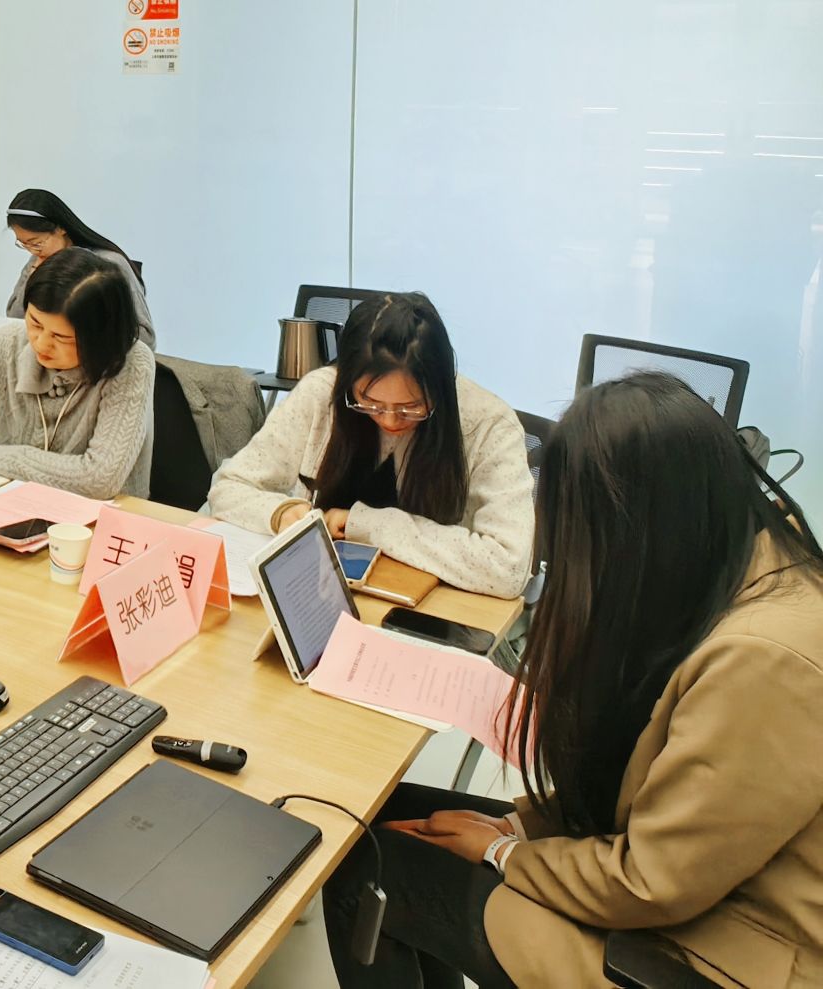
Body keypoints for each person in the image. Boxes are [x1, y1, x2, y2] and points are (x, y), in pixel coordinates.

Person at [321, 371, 823, 988]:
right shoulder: (744, 560)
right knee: (374, 818)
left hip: (713, 952)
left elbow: (652, 881)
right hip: (696, 888)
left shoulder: (766, 661)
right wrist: (520, 826)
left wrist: (504, 852)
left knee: (365, 869)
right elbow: (667, 797)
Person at [207, 292, 533, 598]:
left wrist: (369, 525)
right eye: (370, 403)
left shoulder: (488, 425)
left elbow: (509, 567)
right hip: (319, 595)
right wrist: (281, 513)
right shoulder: (321, 395)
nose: (390, 420)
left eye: (410, 408)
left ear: (441, 388)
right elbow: (228, 487)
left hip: (435, 611)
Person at [0, 249, 153, 499]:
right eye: (35, 323)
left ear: (101, 336)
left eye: (61, 337)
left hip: (104, 514)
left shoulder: (131, 363)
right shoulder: (6, 344)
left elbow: (99, 478)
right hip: (10, 500)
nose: (41, 343)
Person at [4, 188, 154, 347]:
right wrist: (34, 275)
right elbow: (15, 318)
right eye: (24, 244)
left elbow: (145, 337)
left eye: (37, 243)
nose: (33, 251)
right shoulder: (37, 260)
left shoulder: (108, 263)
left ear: (61, 228)